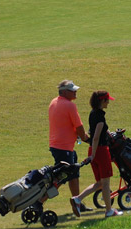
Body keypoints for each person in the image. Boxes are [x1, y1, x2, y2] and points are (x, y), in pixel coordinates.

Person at [71, 90, 122, 218]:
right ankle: (109, 211)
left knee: (100, 183)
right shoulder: (100, 117)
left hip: (93, 150)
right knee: (105, 183)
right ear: (102, 101)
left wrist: (92, 153)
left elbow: (93, 133)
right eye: (107, 100)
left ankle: (78, 199)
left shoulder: (92, 113)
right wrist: (93, 154)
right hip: (101, 151)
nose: (108, 103)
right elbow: (96, 137)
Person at [47, 79, 91, 212]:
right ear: (65, 92)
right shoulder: (70, 106)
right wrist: (87, 139)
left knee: (73, 174)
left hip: (57, 146)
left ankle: (77, 202)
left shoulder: (53, 102)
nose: (75, 92)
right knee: (60, 177)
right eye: (72, 91)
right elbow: (79, 127)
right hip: (63, 147)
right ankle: (39, 201)